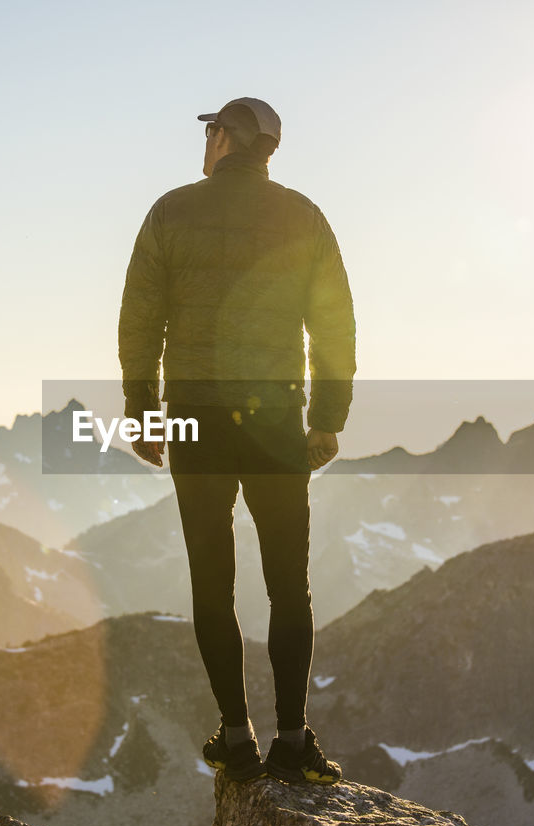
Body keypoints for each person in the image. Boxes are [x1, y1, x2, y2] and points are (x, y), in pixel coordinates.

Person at [117, 97, 356, 785]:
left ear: (226, 138)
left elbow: (142, 320)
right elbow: (333, 325)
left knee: (212, 581)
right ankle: (292, 738)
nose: (206, 140)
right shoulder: (305, 217)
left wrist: (142, 408)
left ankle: (235, 737)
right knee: (289, 584)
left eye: (210, 129)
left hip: (196, 418)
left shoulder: (169, 211)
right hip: (278, 420)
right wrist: (328, 415)